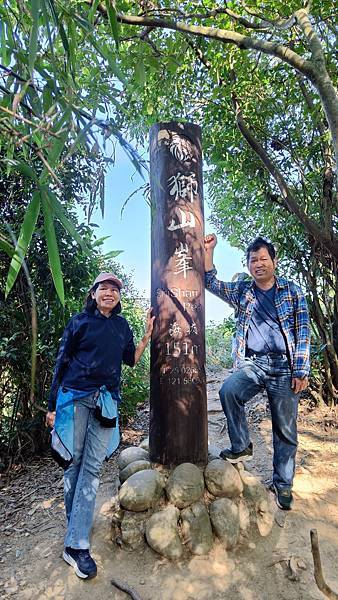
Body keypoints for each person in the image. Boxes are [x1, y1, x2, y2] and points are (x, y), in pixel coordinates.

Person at [45, 272, 154, 579]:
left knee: (91, 468)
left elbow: (130, 360)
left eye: (114, 290)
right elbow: (62, 361)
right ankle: (76, 532)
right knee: (74, 464)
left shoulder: (121, 326)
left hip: (106, 401)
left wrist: (146, 335)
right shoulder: (79, 322)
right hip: (75, 400)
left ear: (118, 297)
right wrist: (52, 406)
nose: (109, 293)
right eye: (103, 289)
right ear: (93, 294)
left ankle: (76, 543)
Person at [204, 235, 310, 510]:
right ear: (248, 265)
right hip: (254, 363)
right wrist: (210, 251)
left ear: (274, 261)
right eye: (253, 260)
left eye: (264, 258)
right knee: (229, 391)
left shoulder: (293, 291)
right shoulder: (243, 291)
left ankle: (283, 484)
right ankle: (241, 445)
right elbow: (211, 282)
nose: (259, 264)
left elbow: (303, 332)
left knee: (285, 430)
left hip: (285, 367)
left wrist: (301, 369)